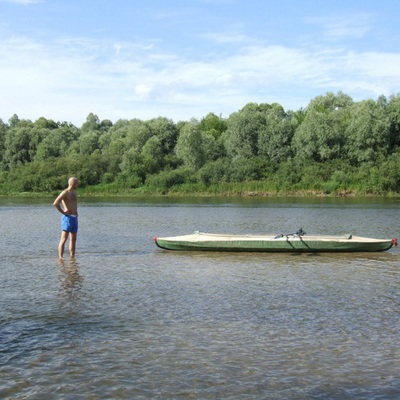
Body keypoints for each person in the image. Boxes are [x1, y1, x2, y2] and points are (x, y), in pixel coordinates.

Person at [53, 177, 79, 259]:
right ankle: (60, 257)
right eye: (77, 183)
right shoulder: (65, 192)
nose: (78, 185)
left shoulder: (74, 193)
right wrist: (63, 211)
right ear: (72, 183)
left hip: (74, 218)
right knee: (64, 238)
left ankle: (72, 257)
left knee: (73, 239)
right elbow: (56, 203)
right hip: (68, 218)